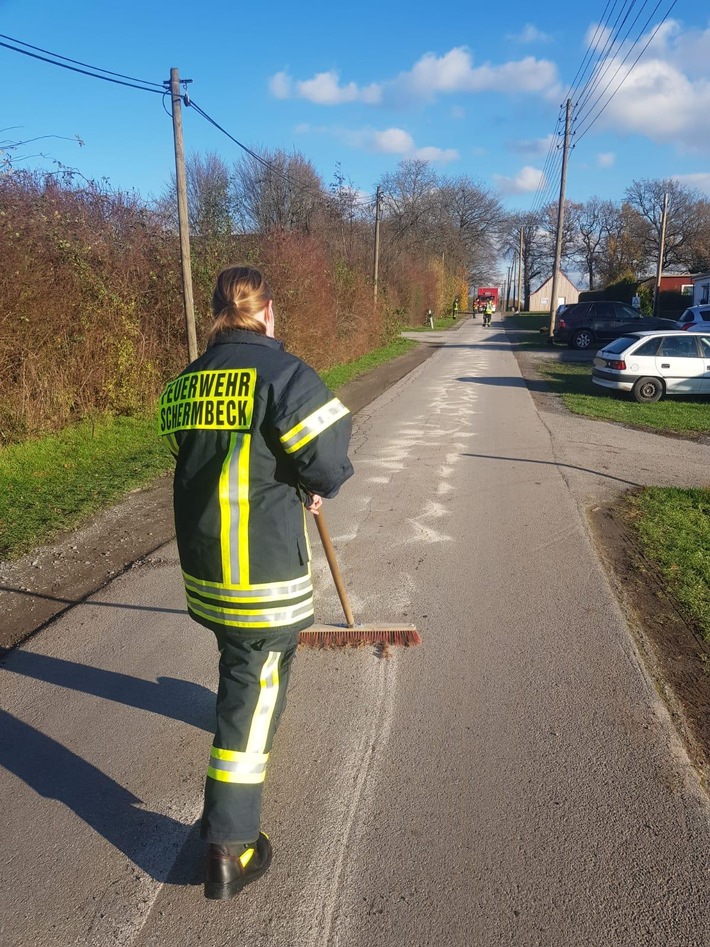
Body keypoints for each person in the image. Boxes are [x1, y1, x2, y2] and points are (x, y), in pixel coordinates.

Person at [158, 266, 353, 900]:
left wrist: (291, 478)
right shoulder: (285, 373)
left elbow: (211, 456)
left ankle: (255, 724)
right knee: (248, 699)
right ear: (267, 312)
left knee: (244, 666)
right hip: (261, 577)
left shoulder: (187, 382)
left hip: (207, 571)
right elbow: (327, 458)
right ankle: (231, 847)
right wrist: (312, 482)